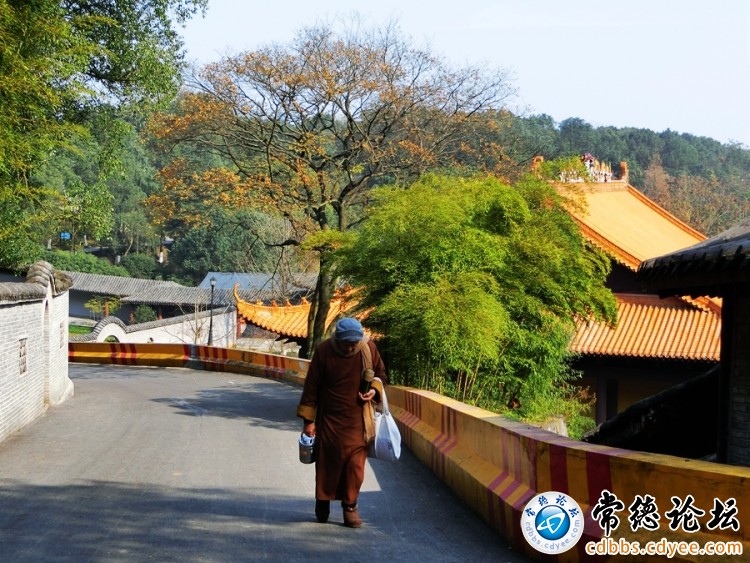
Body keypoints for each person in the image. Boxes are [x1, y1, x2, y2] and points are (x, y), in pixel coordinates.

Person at [297, 317, 387, 528]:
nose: (350, 347)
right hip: (329, 420)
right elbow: (312, 387)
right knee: (327, 465)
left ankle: (350, 508)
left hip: (359, 421)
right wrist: (308, 422)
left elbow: (381, 374)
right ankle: (323, 500)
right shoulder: (324, 351)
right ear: (337, 340)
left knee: (355, 467)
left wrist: (374, 390)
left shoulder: (368, 349)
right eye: (347, 343)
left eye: (354, 343)